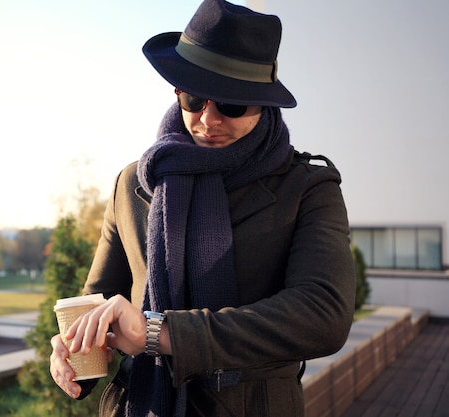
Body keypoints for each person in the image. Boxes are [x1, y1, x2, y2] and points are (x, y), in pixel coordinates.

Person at [50, 0, 356, 416]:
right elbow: (98, 300)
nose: (207, 119)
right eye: (193, 98)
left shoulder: (307, 186)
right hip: (139, 404)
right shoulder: (134, 182)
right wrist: (76, 354)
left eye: (230, 104)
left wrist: (160, 333)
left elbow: (323, 315)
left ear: (263, 104)